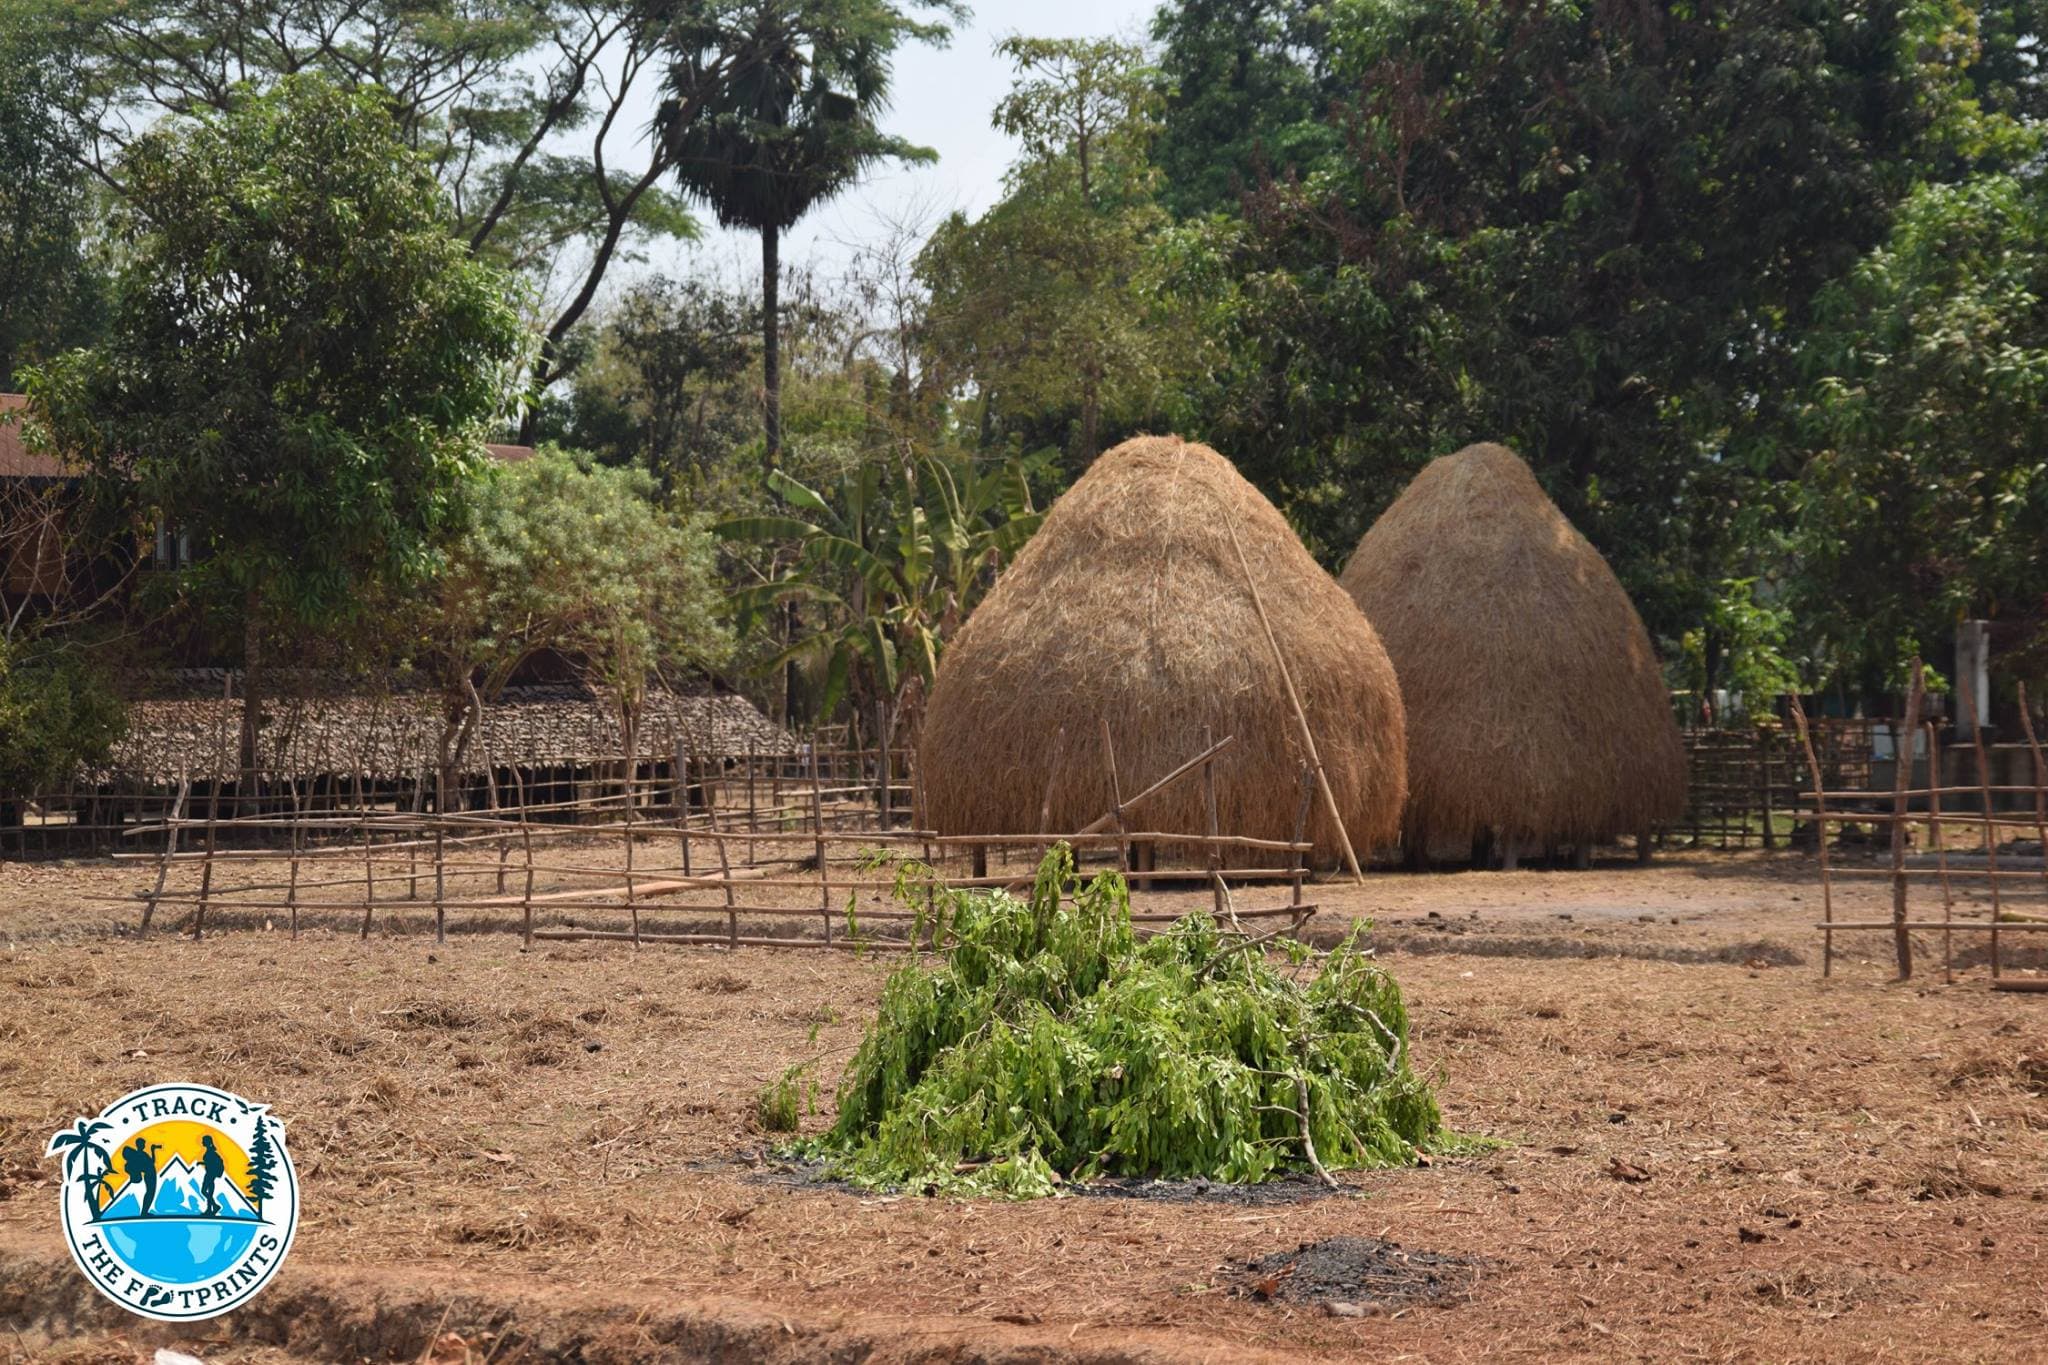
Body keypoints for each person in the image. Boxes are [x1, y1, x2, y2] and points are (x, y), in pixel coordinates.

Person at [119, 1138, 159, 1217]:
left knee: (150, 1193)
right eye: (143, 1144)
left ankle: (144, 1212)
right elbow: (150, 1163)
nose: (144, 1145)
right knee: (150, 1193)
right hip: (150, 1175)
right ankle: (144, 1212)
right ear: (139, 1145)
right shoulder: (140, 1154)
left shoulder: (141, 1154)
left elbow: (151, 1162)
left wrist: (152, 1150)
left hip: (151, 1174)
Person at [198, 1135, 226, 1217]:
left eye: (203, 1141)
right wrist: (202, 1163)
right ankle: (212, 1208)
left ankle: (213, 1208)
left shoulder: (210, 1152)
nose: (202, 1142)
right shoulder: (210, 1151)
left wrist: (203, 1163)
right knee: (208, 1192)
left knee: (204, 1191)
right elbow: (210, 1162)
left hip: (210, 1174)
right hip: (210, 1174)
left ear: (207, 1142)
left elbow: (211, 1163)